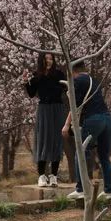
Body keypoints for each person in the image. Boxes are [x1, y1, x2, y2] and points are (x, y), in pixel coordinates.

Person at [63, 61, 111, 201]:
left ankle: (81, 189)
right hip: (107, 119)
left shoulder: (78, 81)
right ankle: (109, 191)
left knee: (80, 152)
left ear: (73, 71)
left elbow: (75, 106)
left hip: (93, 120)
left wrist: (67, 125)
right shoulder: (94, 80)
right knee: (104, 156)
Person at [25, 52, 67, 187]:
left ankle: (54, 175)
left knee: (56, 139)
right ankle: (41, 175)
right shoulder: (37, 75)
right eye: (46, 59)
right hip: (44, 109)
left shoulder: (59, 74)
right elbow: (31, 94)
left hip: (57, 108)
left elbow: (64, 89)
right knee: (42, 139)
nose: (49, 61)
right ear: (41, 60)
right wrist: (26, 81)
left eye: (51, 59)